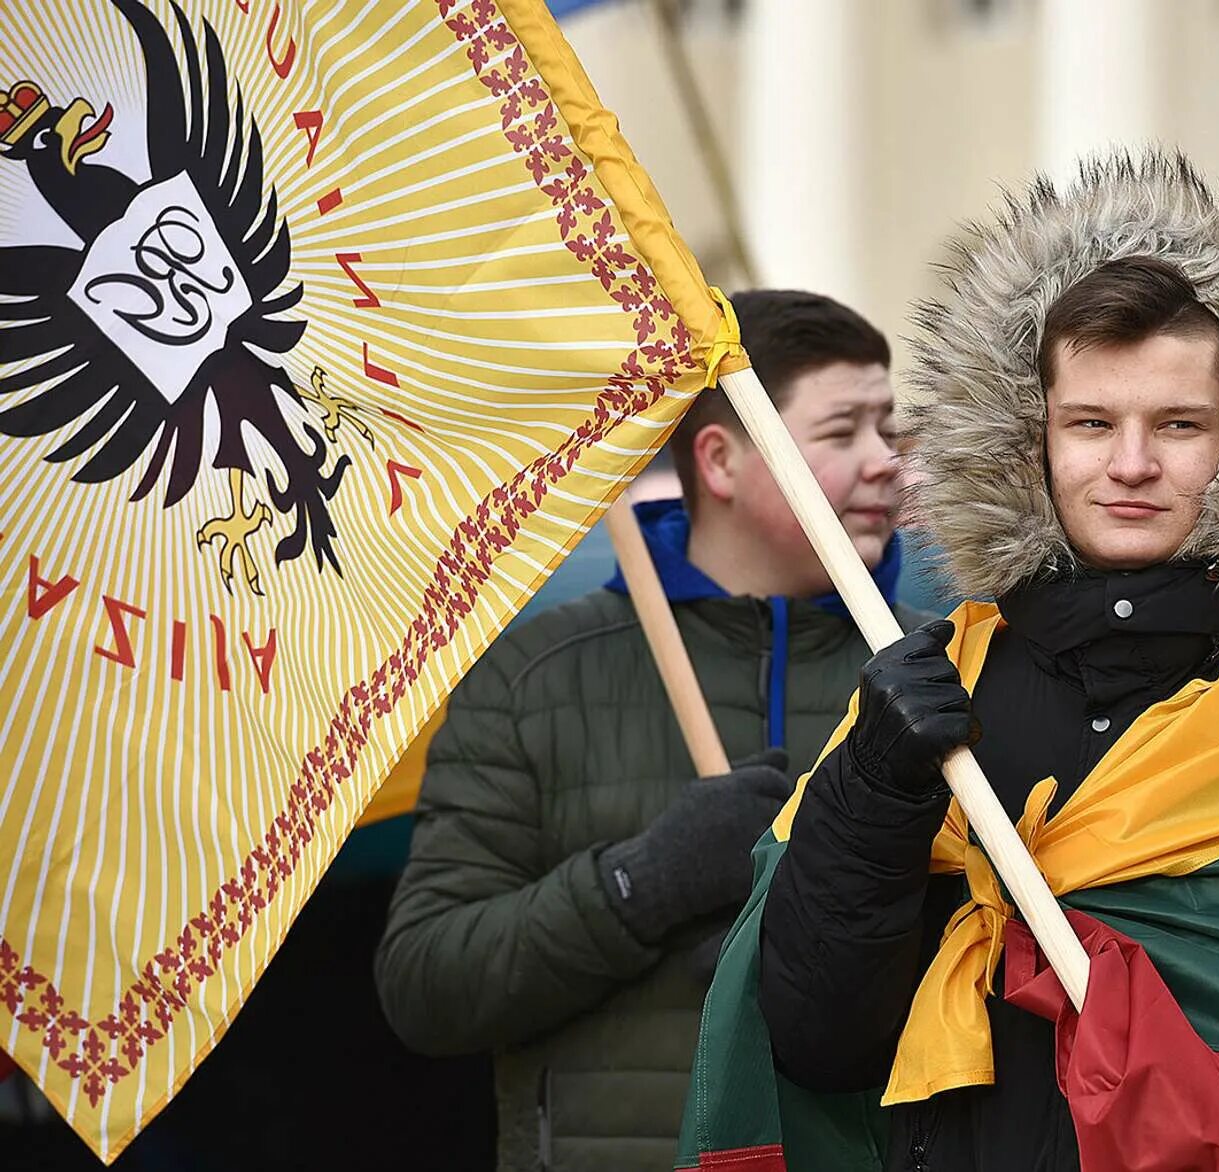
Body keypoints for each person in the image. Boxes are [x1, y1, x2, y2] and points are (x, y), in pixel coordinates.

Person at [682, 153, 1219, 1172]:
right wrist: (871, 792)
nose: (1129, 464)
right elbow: (817, 1038)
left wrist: (1163, 1079)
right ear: (1029, 439)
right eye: (1089, 423)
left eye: (1175, 425)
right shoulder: (942, 682)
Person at [375, 289, 928, 1171]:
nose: (887, 465)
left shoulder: (932, 678)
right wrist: (643, 883)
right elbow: (428, 985)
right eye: (842, 432)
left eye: (888, 428)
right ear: (720, 460)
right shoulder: (533, 673)